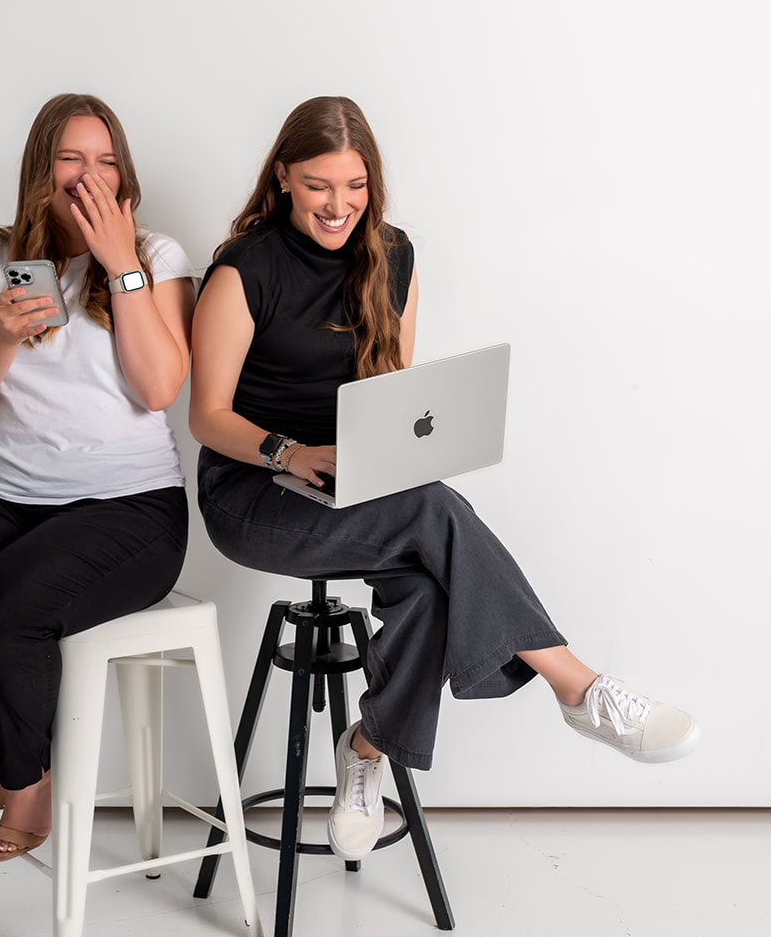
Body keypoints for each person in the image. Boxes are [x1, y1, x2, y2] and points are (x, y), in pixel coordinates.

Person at [189, 95, 699, 862]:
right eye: (319, 185)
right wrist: (289, 453)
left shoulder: (392, 256)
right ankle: (577, 686)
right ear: (284, 176)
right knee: (432, 514)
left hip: (355, 484)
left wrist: (399, 449)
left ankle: (366, 747)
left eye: (355, 185)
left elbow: (394, 395)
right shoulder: (243, 269)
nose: (338, 205)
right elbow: (207, 416)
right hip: (255, 490)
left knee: (431, 577)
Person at [0, 94, 195, 883]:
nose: (89, 176)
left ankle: (29, 776)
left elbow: (160, 388)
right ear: (39, 170)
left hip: (133, 508)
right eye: (71, 159)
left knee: (0, 612)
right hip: (12, 496)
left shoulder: (156, 255)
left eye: (106, 161)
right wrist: (4, 333)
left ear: (124, 175)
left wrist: (120, 263)